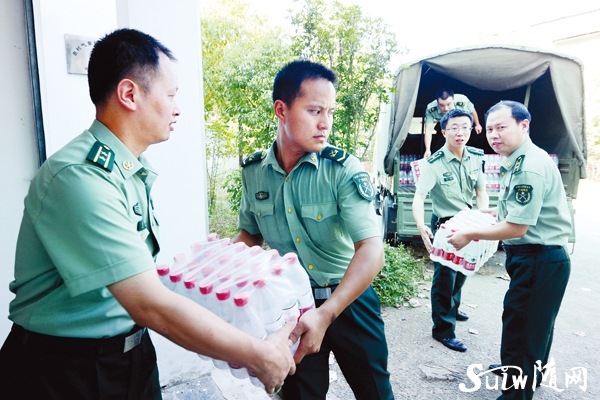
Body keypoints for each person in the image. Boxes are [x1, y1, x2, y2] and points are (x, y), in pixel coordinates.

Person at [0, 28, 296, 399]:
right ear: (129, 94)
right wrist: (259, 355)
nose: (177, 108)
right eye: (170, 95)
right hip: (65, 369)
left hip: (129, 355)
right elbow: (147, 302)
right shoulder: (79, 177)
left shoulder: (127, 170)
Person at [234, 60, 394, 400]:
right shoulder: (254, 172)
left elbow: (371, 249)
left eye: (330, 112)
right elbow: (249, 235)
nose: (326, 124)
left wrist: (326, 314)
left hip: (349, 301)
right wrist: (224, 270)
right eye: (315, 111)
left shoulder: (341, 170)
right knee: (299, 394)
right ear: (281, 110)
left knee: (375, 392)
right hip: (292, 306)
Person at [447, 101, 571, 400]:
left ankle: (516, 393)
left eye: (501, 127)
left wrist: (469, 234)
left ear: (523, 125)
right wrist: (490, 213)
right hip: (541, 258)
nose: (494, 135)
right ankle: (526, 372)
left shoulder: (528, 166)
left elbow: (517, 228)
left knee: (523, 327)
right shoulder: (521, 159)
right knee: (536, 325)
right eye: (490, 129)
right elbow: (518, 211)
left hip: (538, 259)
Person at [412, 108, 488, 353]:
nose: (460, 132)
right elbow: (419, 197)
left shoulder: (475, 157)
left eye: (465, 127)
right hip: (445, 224)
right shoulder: (433, 164)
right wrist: (420, 224)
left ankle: (452, 307)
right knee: (445, 278)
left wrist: (481, 217)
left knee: (463, 269)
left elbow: (480, 191)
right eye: (454, 128)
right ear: (443, 132)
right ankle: (443, 330)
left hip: (468, 221)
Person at [423, 88, 482, 157]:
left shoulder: (462, 100)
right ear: (437, 102)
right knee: (439, 145)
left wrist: (477, 124)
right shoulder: (431, 108)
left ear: (453, 100)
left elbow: (472, 111)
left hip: (463, 124)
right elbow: (428, 129)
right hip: (444, 125)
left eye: (448, 104)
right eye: (441, 105)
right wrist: (427, 149)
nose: (446, 108)